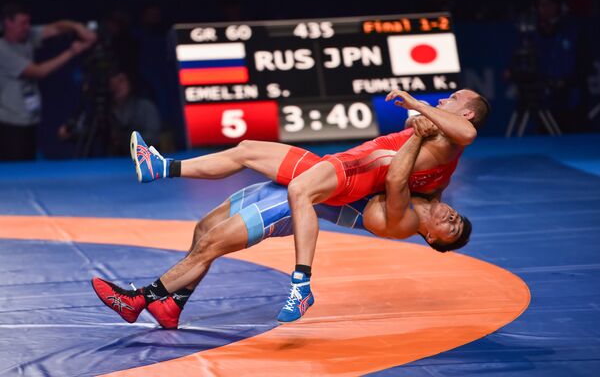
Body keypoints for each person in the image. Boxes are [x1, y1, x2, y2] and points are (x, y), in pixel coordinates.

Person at [93, 129, 471, 327]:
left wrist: (420, 129)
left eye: (451, 230)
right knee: (214, 208)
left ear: (431, 238)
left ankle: (139, 299)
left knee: (212, 243)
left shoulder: (404, 221)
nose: (452, 219)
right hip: (320, 174)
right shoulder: (433, 189)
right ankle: (172, 304)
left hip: (303, 202)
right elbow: (453, 143)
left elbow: (396, 177)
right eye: (457, 217)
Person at [131, 89, 488, 265]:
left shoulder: (412, 211)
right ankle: (163, 168)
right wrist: (419, 120)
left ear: (467, 114)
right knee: (246, 150)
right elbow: (424, 133)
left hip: (342, 187)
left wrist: (417, 107)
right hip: (341, 173)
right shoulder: (437, 179)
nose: (446, 98)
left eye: (455, 98)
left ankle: (301, 278)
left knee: (223, 225)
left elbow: (463, 136)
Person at [0, 2, 96, 160]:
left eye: (28, 22)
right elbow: (38, 72)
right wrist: (73, 51)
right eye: (22, 23)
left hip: (29, 119)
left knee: (29, 166)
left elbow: (56, 28)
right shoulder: (2, 50)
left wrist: (77, 27)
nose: (27, 27)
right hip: (10, 123)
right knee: (15, 168)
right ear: (8, 23)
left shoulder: (27, 35)